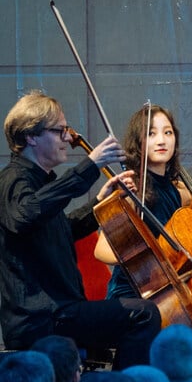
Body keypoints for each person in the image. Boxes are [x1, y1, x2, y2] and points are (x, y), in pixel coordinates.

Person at [0, 90, 160, 367]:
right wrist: (90, 165)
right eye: (59, 131)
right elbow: (26, 214)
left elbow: (64, 230)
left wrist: (102, 202)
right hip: (42, 317)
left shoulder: (40, 183)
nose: (67, 138)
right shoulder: (13, 180)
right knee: (143, 314)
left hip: (59, 312)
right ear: (31, 137)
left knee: (140, 314)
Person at [92, 105, 192, 302]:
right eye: (151, 134)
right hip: (135, 295)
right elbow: (102, 251)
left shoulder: (180, 189)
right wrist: (151, 254)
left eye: (168, 133)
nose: (162, 140)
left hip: (172, 292)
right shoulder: (131, 190)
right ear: (138, 143)